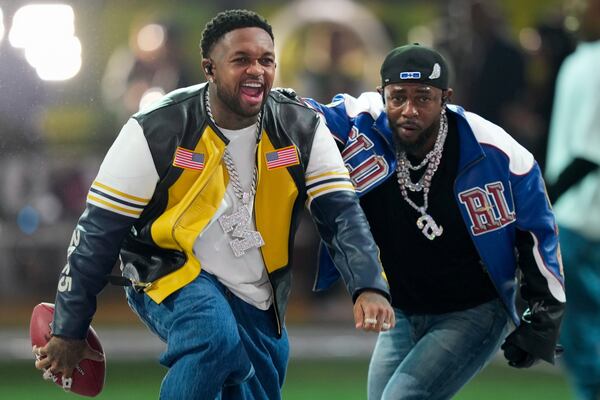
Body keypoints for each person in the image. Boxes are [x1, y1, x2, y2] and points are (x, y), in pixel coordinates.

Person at [32, 9, 394, 400]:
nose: (256, 70)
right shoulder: (154, 128)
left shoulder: (303, 127)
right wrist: (69, 328)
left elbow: (342, 215)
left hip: (258, 288)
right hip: (166, 269)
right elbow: (97, 233)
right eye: (241, 60)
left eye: (266, 60)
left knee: (256, 385)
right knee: (213, 336)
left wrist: (368, 284)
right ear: (209, 68)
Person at [301, 44, 565, 399]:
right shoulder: (361, 123)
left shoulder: (494, 149)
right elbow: (300, 115)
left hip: (473, 311)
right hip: (404, 308)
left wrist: (543, 317)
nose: (409, 110)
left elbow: (537, 230)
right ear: (383, 95)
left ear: (446, 98)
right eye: (398, 97)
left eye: (423, 98)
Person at [545, 0, 600, 398]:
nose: (579, 10)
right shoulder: (580, 60)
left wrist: (542, 202)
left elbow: (588, 152)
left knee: (584, 342)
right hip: (576, 218)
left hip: (583, 219)